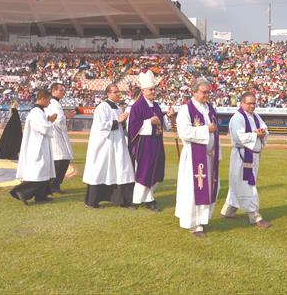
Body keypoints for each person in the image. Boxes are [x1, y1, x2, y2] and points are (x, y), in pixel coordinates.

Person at [175, 77, 221, 237]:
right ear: (194, 92)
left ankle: (202, 220)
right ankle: (193, 223)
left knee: (208, 189)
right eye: (204, 92)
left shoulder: (209, 108)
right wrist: (205, 129)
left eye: (208, 92)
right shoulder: (186, 110)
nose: (207, 95)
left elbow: (215, 132)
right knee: (192, 190)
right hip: (193, 158)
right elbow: (184, 132)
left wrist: (216, 151)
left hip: (208, 157)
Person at [220, 91, 271, 228]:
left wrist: (262, 132)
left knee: (237, 185)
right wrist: (256, 135)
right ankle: (255, 216)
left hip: (253, 155)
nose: (252, 106)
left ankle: (228, 211)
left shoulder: (255, 116)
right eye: (249, 103)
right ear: (242, 103)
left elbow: (264, 127)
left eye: (254, 103)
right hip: (241, 156)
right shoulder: (238, 118)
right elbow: (238, 137)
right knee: (248, 185)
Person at [82, 84, 135, 208]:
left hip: (118, 144)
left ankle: (124, 201)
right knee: (101, 170)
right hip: (105, 146)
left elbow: (121, 125)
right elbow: (100, 126)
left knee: (122, 169)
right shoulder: (102, 107)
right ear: (108, 93)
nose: (118, 94)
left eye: (119, 92)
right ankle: (92, 201)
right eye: (115, 92)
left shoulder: (118, 107)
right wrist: (118, 121)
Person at [127, 71, 174, 212]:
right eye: (150, 89)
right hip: (144, 145)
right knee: (144, 172)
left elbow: (162, 123)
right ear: (143, 90)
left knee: (156, 172)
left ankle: (148, 199)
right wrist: (149, 121)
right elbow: (133, 126)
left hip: (157, 143)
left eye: (154, 89)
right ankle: (138, 201)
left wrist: (169, 117)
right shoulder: (137, 106)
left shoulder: (156, 105)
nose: (153, 91)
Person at [10, 90, 57, 205]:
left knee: (43, 171)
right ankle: (21, 191)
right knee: (39, 172)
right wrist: (50, 121)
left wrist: (47, 120)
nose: (49, 103)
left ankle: (41, 197)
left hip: (41, 144)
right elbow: (43, 128)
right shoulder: (36, 112)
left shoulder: (39, 112)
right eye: (49, 100)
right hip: (37, 146)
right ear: (43, 99)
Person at [46, 83, 76, 193]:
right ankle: (52, 186)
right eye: (61, 90)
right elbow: (55, 120)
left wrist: (65, 116)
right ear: (54, 91)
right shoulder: (52, 103)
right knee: (60, 160)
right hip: (55, 136)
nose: (63, 92)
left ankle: (56, 185)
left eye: (64, 90)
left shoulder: (56, 103)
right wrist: (66, 116)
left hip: (60, 135)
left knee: (64, 160)